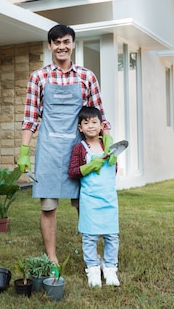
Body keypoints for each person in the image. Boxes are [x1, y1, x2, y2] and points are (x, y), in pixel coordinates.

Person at [17, 24, 111, 265]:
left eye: (66, 41)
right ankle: (52, 258)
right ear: (50, 46)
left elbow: (99, 116)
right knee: (48, 207)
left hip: (80, 151)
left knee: (85, 204)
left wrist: (107, 144)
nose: (62, 46)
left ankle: (93, 255)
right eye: (56, 42)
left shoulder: (86, 76)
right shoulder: (38, 77)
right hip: (48, 151)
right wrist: (25, 152)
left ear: (73, 44)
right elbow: (30, 118)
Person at [68, 106, 120, 287]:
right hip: (90, 199)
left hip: (109, 198)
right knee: (89, 236)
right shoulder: (80, 148)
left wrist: (113, 160)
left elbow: (113, 169)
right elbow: (73, 171)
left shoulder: (108, 146)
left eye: (94, 122)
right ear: (80, 128)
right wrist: (89, 166)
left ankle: (110, 267)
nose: (91, 126)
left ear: (101, 125)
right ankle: (93, 268)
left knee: (111, 236)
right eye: (86, 123)